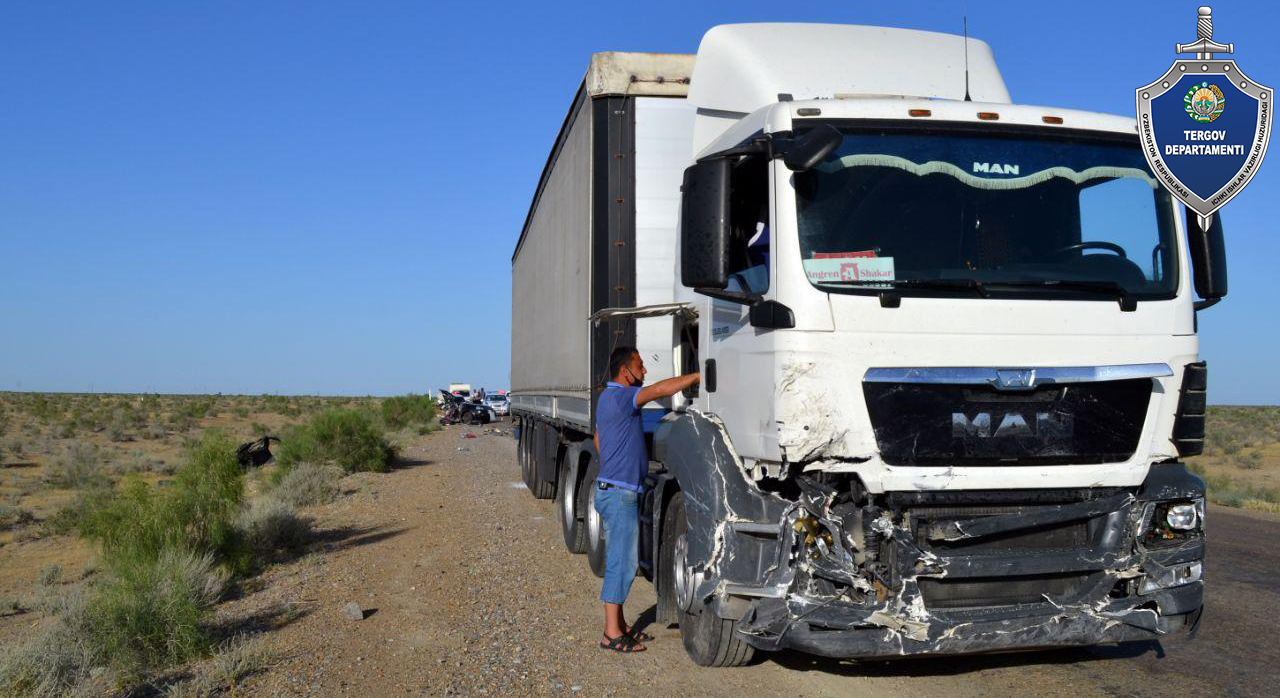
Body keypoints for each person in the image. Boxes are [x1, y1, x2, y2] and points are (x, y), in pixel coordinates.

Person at [593, 346, 700, 653]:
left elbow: (600, 436)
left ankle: (621, 624)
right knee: (622, 563)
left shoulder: (606, 398)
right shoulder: (624, 397)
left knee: (620, 557)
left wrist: (614, 465)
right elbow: (657, 390)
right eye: (640, 366)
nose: (644, 370)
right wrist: (696, 374)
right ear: (625, 371)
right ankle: (610, 633)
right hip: (619, 494)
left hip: (613, 488)